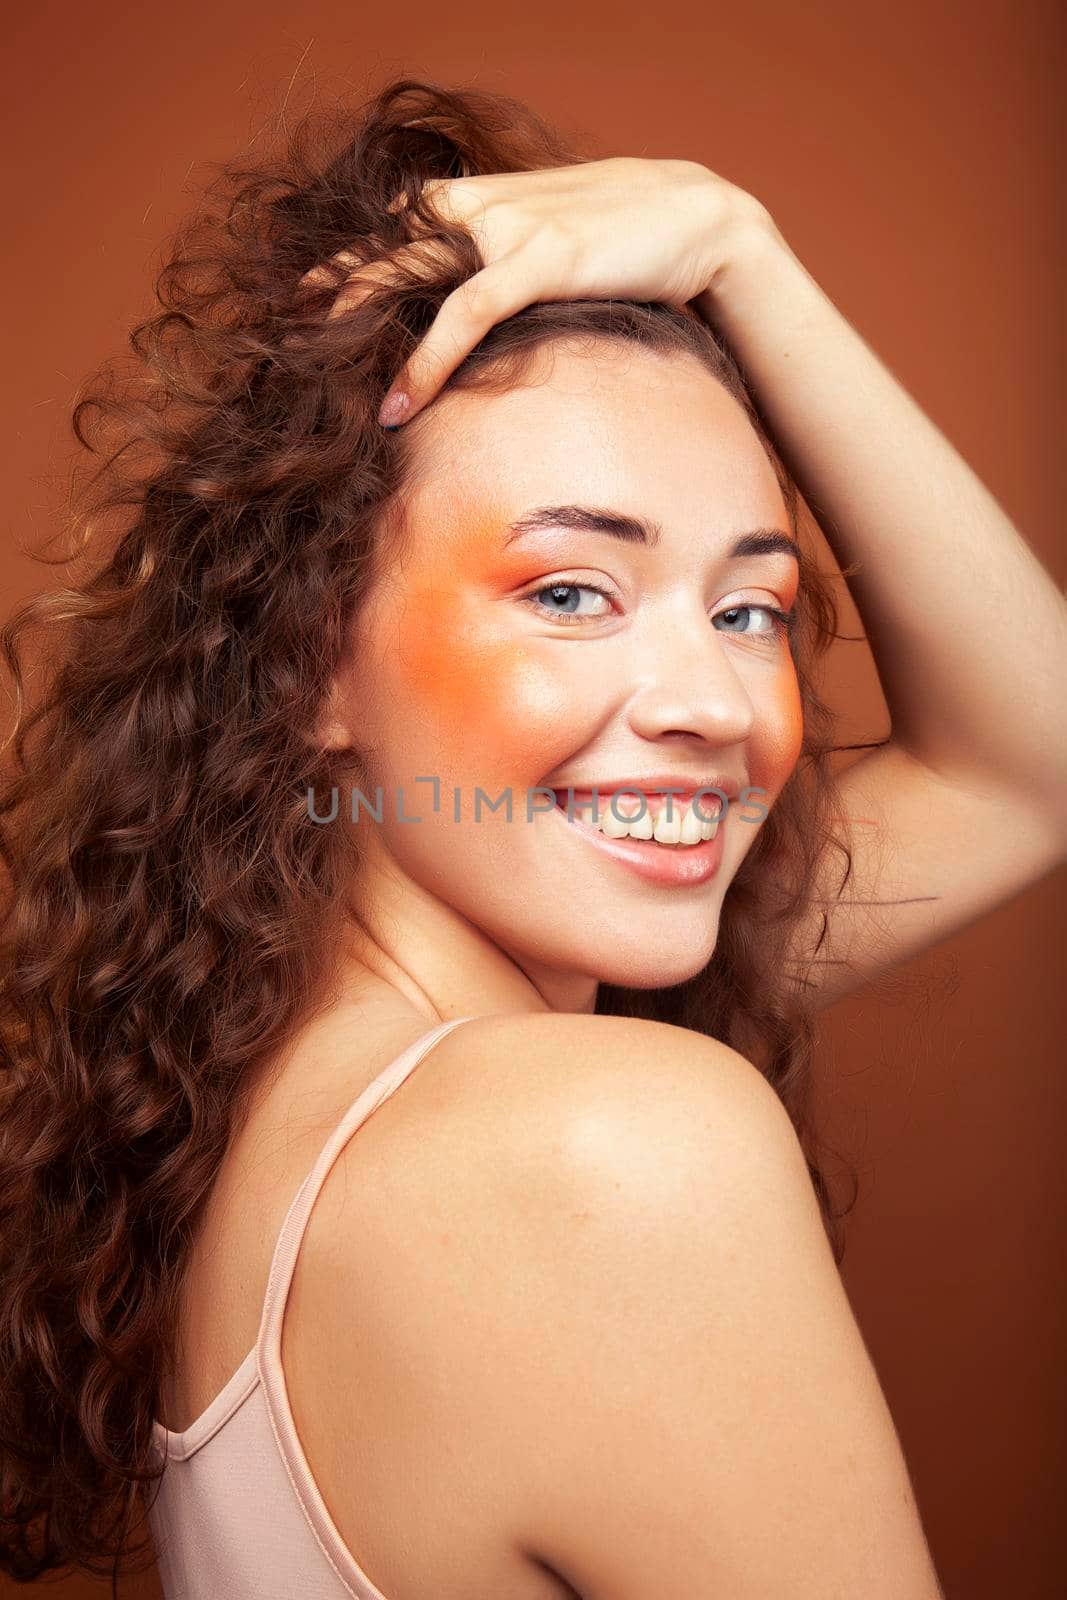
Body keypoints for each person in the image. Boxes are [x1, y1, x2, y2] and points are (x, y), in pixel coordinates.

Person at [1, 75, 1063, 1600]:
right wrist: (744, 249)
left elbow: (1032, 766)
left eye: (750, 607)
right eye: (571, 590)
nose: (714, 701)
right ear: (310, 659)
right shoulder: (591, 1148)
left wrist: (740, 255)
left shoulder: (273, 1075)